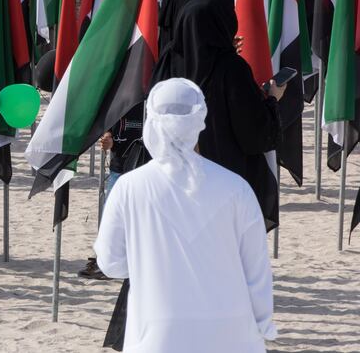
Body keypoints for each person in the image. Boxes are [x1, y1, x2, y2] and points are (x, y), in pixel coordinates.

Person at [95, 78, 277, 352]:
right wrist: (263, 324)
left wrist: (153, 262)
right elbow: (257, 273)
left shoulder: (129, 187)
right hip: (231, 334)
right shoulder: (236, 188)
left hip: (157, 334)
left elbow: (110, 263)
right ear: (200, 122)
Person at [152, 0, 284, 229]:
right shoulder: (232, 68)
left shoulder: (168, 59)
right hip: (222, 182)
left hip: (171, 181)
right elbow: (255, 135)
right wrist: (273, 100)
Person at [78, 103, 144, 280]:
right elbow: (109, 128)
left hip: (147, 169)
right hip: (120, 167)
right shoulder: (123, 95)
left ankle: (121, 262)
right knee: (112, 215)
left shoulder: (154, 96)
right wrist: (108, 138)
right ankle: (106, 261)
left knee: (140, 219)